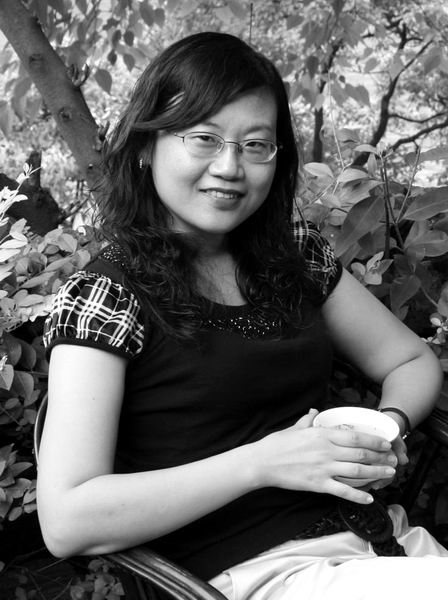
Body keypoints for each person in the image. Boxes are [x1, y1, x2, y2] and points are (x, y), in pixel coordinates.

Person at [37, 31, 448, 600]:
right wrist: (263, 463)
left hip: (380, 541)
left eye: (256, 144)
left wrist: (389, 426)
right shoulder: (106, 297)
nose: (230, 167)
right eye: (204, 138)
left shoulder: (293, 254)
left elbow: (409, 359)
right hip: (255, 577)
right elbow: (67, 520)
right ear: (146, 145)